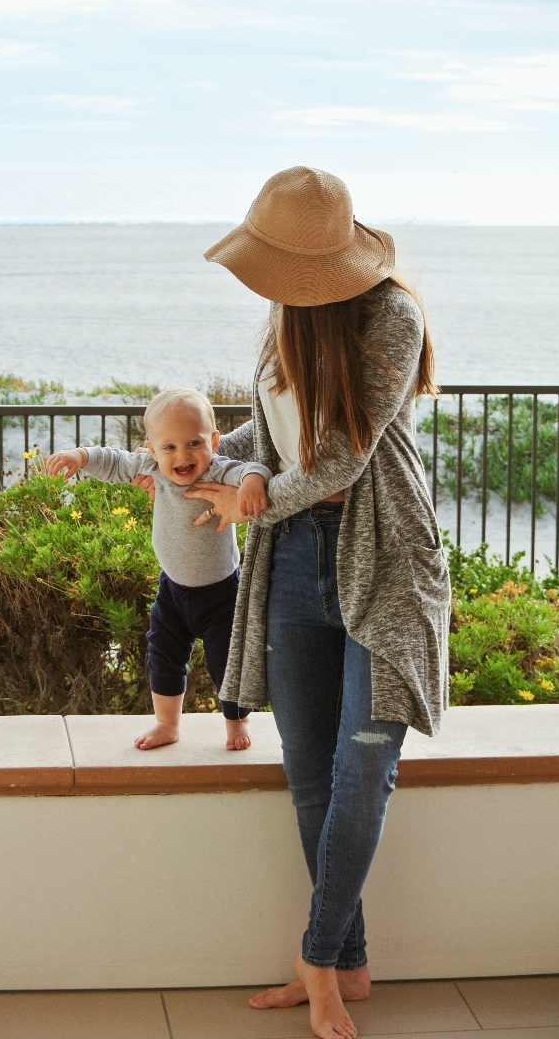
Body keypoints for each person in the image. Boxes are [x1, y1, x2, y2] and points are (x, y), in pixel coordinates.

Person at [180, 167, 450, 1039]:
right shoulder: (285, 315)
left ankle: (317, 959)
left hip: (384, 565)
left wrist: (246, 497)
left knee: (362, 774)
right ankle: (350, 963)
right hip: (295, 560)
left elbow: (343, 457)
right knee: (307, 778)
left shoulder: (392, 317)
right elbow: (280, 427)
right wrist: (249, 467)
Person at [46, 387, 272, 752]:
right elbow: (116, 461)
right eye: (169, 448)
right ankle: (167, 724)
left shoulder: (219, 469)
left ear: (214, 441)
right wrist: (81, 456)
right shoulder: (151, 468)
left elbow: (252, 467)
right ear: (151, 450)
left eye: (194, 443)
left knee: (227, 662)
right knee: (162, 656)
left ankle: (236, 722)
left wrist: (251, 481)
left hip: (222, 593)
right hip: (173, 590)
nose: (182, 455)